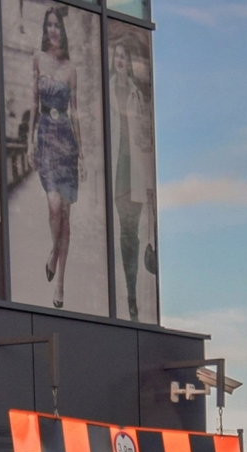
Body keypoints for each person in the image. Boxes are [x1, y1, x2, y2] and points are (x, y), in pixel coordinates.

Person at [26, 5, 79, 304]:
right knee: (54, 206)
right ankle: (54, 249)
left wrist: (81, 152)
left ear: (63, 30)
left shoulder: (71, 68)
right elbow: (33, 102)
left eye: (57, 26)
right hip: (46, 134)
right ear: (45, 29)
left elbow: (77, 112)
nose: (53, 31)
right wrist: (30, 139)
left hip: (66, 140)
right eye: (49, 26)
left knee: (67, 216)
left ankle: (60, 284)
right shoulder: (38, 59)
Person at [108, 31, 153, 320]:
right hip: (116, 173)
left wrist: (149, 183)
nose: (121, 60)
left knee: (132, 234)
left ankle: (132, 292)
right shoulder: (109, 91)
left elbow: (145, 141)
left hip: (134, 173)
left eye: (125, 57)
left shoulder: (137, 94)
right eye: (118, 56)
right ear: (113, 60)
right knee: (124, 232)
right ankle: (128, 290)